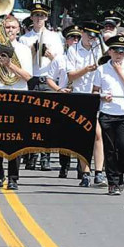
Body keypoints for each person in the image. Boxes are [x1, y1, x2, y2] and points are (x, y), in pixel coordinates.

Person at [0, 15, 33, 190]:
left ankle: (13, 177)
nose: (9, 30)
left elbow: (27, 77)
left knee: (15, 140)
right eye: (7, 27)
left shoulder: (24, 50)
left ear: (18, 29)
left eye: (13, 27)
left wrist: (9, 65)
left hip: (18, 97)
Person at [19, 3, 64, 170]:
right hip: (31, 79)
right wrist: (32, 52)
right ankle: (31, 155)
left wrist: (50, 55)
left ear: (46, 17)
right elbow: (22, 64)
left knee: (47, 120)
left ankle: (45, 156)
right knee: (30, 119)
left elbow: (61, 63)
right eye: (36, 15)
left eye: (42, 16)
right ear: (31, 17)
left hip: (47, 79)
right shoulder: (25, 38)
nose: (39, 19)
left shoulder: (54, 37)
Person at [92, 35, 124, 195]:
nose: (120, 55)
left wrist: (119, 71)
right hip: (108, 113)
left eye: (123, 52)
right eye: (117, 51)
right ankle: (113, 182)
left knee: (123, 148)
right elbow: (95, 91)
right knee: (110, 150)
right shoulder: (102, 69)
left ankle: (120, 174)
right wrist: (103, 96)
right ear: (110, 52)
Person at [67, 21, 106, 187]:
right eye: (88, 34)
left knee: (97, 134)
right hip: (79, 95)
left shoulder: (100, 49)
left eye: (94, 35)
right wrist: (87, 69)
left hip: (96, 95)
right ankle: (85, 172)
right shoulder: (73, 50)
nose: (91, 38)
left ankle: (98, 172)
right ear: (82, 33)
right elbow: (70, 76)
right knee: (83, 136)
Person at [46, 24, 82, 178]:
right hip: (64, 97)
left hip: (80, 97)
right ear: (66, 41)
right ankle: (64, 165)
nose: (74, 40)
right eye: (71, 37)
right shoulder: (60, 59)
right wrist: (58, 90)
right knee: (64, 135)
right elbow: (49, 79)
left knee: (82, 134)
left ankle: (82, 167)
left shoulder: (83, 59)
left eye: (77, 37)